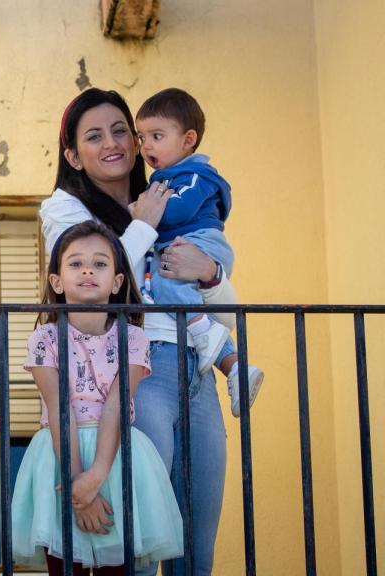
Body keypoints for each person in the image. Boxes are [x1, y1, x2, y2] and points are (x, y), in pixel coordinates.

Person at [39, 88, 237, 576]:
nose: (112, 143)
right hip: (134, 374)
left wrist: (210, 273)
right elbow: (92, 289)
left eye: (120, 130)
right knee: (142, 540)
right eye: (93, 135)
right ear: (73, 155)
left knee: (196, 541)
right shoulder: (65, 211)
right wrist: (144, 226)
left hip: (197, 370)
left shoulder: (167, 199)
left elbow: (230, 314)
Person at [11, 221, 183, 574]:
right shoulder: (45, 338)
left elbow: (116, 407)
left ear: (117, 282)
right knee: (64, 562)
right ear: (56, 281)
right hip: (61, 456)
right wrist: (77, 487)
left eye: (100, 263)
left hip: (116, 456)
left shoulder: (133, 338)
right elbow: (61, 410)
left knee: (115, 563)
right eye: (75, 263)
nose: (88, 269)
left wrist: (98, 476)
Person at [135, 87, 264, 417]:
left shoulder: (195, 174)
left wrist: (140, 212)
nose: (146, 145)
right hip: (188, 246)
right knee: (170, 292)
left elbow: (178, 210)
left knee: (166, 284)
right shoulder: (169, 175)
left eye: (156, 135)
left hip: (200, 243)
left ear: (188, 139)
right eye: (142, 137)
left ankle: (209, 337)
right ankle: (234, 366)